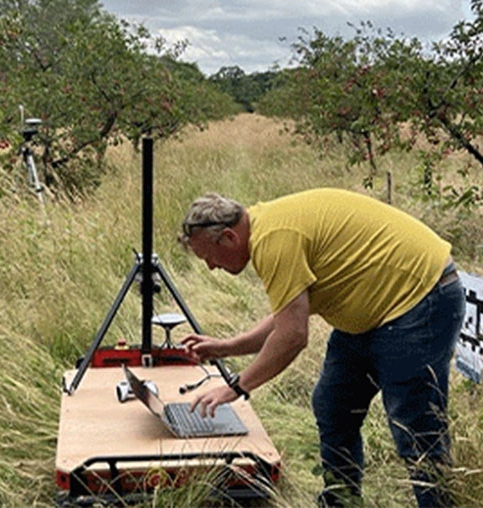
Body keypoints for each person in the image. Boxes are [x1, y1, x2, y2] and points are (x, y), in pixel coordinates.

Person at [178, 188, 465, 507]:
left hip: (419, 298)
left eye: (209, 258)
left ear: (229, 237)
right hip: (373, 312)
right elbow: (288, 315)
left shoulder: (272, 240)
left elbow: (292, 337)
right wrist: (228, 347)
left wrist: (236, 387)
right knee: (333, 405)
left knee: (414, 427)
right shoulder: (266, 227)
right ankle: (341, 501)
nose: (211, 268)